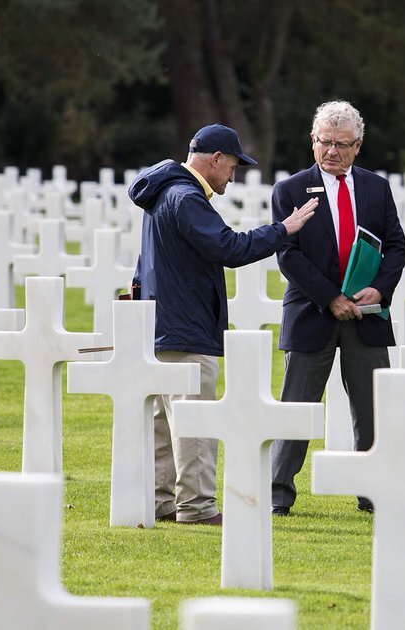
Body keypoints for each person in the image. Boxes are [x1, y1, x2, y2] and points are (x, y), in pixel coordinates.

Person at [130, 124, 317, 525]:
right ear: (215, 159)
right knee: (195, 422)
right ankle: (197, 508)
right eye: (232, 167)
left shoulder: (164, 192)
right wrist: (283, 230)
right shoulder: (185, 197)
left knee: (166, 423)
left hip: (161, 324)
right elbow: (228, 247)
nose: (232, 176)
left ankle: (164, 502)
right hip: (187, 323)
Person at [269, 101, 405, 516]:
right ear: (312, 141)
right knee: (297, 407)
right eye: (323, 142)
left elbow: (396, 245)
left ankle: (372, 492)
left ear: (358, 146)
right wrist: (331, 297)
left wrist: (379, 291)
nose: (331, 151)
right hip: (313, 311)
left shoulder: (375, 188)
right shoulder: (290, 190)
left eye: (341, 144)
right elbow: (288, 254)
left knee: (371, 408)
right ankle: (278, 494)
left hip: (366, 314)